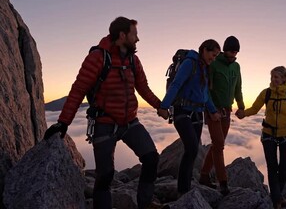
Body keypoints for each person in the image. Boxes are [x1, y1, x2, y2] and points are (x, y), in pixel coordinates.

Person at [43, 16, 168, 209]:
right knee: (105, 176)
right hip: (104, 123)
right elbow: (78, 89)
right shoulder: (98, 58)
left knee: (151, 158)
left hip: (130, 121)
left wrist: (159, 106)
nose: (138, 39)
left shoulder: (134, 60)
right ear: (122, 35)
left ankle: (145, 204)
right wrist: (63, 122)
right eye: (134, 34)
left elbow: (143, 88)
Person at [157, 39, 221, 195]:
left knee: (192, 151)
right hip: (182, 111)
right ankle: (183, 191)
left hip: (197, 113)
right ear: (204, 50)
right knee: (192, 147)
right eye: (212, 55)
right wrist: (164, 106)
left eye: (216, 57)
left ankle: (185, 187)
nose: (213, 59)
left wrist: (213, 111)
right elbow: (176, 84)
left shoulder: (205, 69)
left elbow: (206, 95)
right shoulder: (190, 63)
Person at [235, 66, 286, 209]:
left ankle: (277, 196)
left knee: (284, 169)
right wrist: (243, 114)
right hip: (268, 134)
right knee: (272, 167)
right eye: (272, 77)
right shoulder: (266, 93)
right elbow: (255, 108)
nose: (273, 80)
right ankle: (277, 200)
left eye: (276, 77)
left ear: (284, 78)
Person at [198, 36, 245, 195]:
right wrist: (211, 110)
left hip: (227, 110)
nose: (234, 53)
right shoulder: (214, 64)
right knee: (219, 144)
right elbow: (207, 89)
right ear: (225, 50)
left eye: (236, 51)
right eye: (232, 50)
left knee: (217, 145)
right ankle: (223, 182)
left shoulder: (237, 67)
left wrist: (241, 105)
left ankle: (204, 175)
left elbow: (238, 87)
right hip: (213, 110)